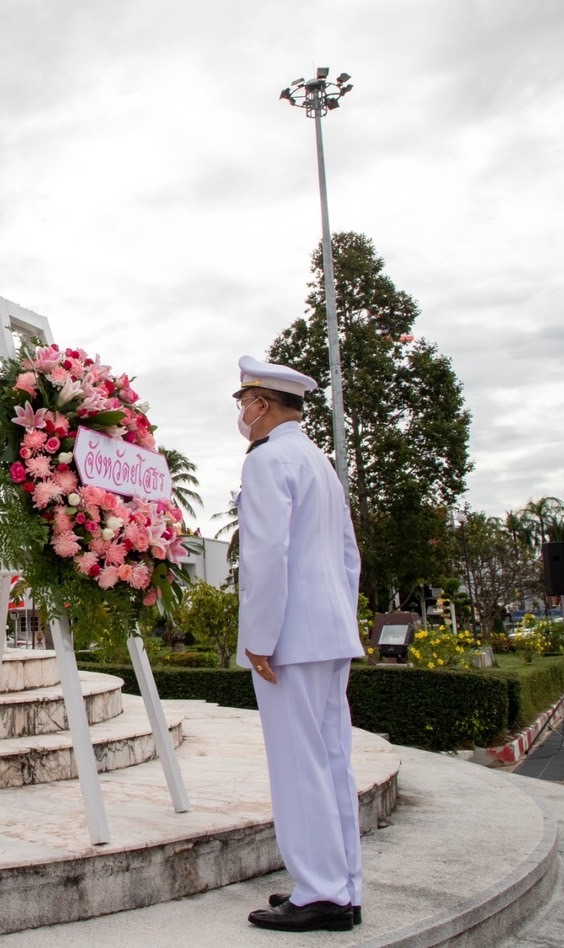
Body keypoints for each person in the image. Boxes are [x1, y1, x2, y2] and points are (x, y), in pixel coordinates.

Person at [233, 355, 365, 933]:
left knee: (298, 765)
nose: (242, 413)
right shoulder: (319, 461)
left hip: (289, 636)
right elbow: (348, 557)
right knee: (333, 761)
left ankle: (320, 893)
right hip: (329, 632)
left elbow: (266, 556)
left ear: (262, 404)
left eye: (245, 403)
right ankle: (343, 886)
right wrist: (341, 622)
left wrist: (259, 638)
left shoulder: (267, 460)